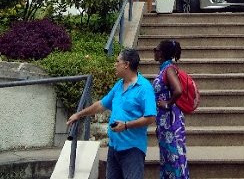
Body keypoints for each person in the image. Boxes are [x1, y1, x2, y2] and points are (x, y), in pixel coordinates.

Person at [67, 48, 157, 179]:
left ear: (126, 64)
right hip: (114, 148)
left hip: (133, 149)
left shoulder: (144, 88)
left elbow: (150, 117)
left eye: (117, 61)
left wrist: (126, 125)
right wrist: (79, 114)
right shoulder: (119, 85)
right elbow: (101, 105)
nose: (115, 64)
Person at [152, 39, 190, 179]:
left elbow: (178, 90)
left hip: (171, 122)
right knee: (168, 158)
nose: (154, 52)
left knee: (174, 158)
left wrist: (167, 103)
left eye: (155, 50)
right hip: (165, 123)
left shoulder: (169, 69)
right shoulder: (164, 69)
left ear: (161, 53)